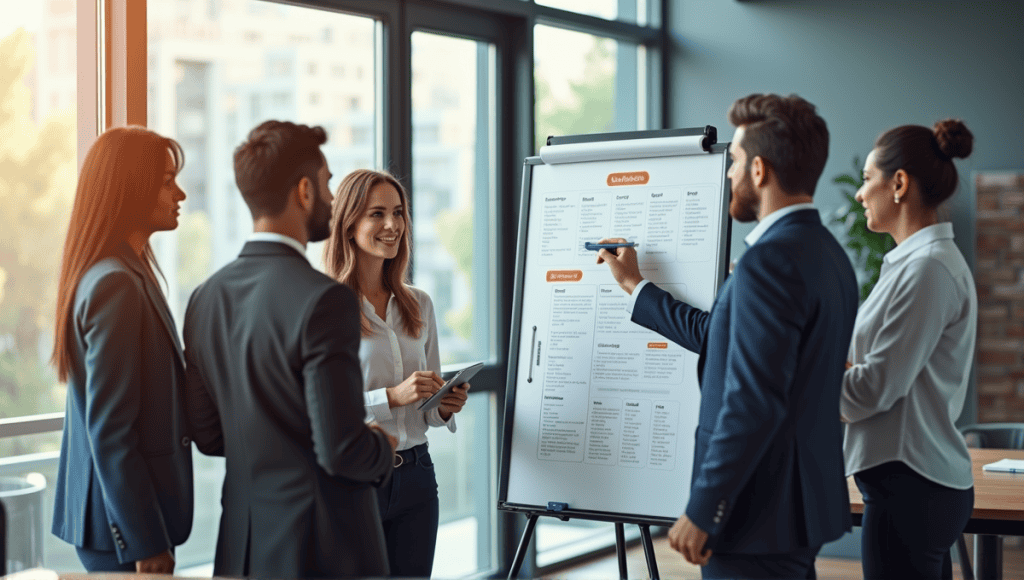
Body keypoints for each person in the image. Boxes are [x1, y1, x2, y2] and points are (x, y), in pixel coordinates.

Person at [597, 94, 859, 579]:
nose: (729, 174)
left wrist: (705, 508)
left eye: (735, 161)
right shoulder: (828, 256)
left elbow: (752, 401)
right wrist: (636, 287)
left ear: (759, 170)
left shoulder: (768, 264)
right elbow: (725, 340)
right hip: (797, 511)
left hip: (753, 514)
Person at [183, 121, 395, 578]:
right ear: (304, 191)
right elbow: (341, 450)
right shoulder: (325, 299)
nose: (333, 197)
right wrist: (381, 445)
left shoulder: (205, 296)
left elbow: (209, 434)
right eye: (327, 183)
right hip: (321, 550)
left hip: (242, 547)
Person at [50, 126, 192, 573]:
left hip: (120, 524)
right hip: (123, 534)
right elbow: (111, 432)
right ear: (131, 187)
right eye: (167, 180)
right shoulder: (116, 284)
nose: (181, 193)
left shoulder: (121, 274)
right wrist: (145, 544)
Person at [841, 120, 976, 580]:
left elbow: (873, 388)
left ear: (898, 183)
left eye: (866, 179)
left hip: (912, 489)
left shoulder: (928, 271)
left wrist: (807, 372)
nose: (860, 194)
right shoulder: (914, 265)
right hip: (908, 485)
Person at [322, 169, 470, 576]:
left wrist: (443, 406)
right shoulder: (326, 306)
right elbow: (319, 409)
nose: (392, 226)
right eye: (377, 214)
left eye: (399, 212)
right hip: (357, 478)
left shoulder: (418, 303)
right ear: (349, 225)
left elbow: (426, 411)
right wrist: (390, 397)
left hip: (418, 478)